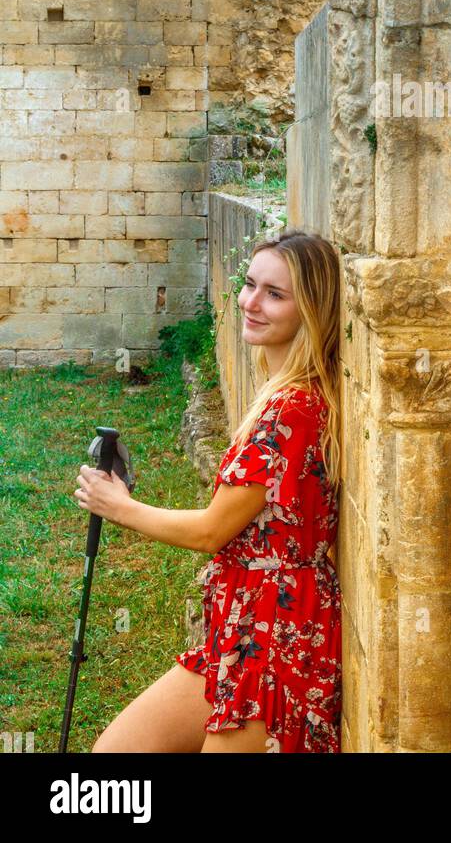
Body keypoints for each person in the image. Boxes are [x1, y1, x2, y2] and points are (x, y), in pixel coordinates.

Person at [73, 227, 342, 754]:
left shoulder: (293, 411)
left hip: (276, 636)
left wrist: (119, 507)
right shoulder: (278, 397)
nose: (252, 303)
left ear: (310, 310)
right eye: (250, 285)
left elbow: (211, 530)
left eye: (275, 294)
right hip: (239, 629)